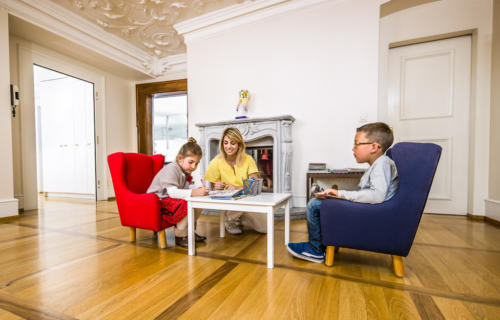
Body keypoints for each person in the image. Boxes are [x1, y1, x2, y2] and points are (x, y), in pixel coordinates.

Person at [287, 122, 399, 263]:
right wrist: (339, 195)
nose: (353, 149)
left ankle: (315, 249)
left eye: (357, 144)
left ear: (374, 147)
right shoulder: (380, 164)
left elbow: (377, 196)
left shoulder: (382, 164)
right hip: (371, 210)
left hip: (372, 214)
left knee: (314, 204)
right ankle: (322, 243)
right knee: (322, 199)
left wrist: (341, 194)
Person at [147, 137, 209, 248]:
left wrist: (199, 189)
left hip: (168, 198)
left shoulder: (185, 171)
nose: (194, 167)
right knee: (187, 203)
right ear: (180, 158)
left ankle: (189, 231)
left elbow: (186, 187)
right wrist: (194, 192)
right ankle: (180, 235)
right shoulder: (172, 169)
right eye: (191, 162)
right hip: (157, 200)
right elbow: (173, 193)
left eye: (197, 163)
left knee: (198, 201)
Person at [204, 127, 266, 234]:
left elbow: (254, 185)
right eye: (225, 143)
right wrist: (216, 186)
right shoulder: (216, 161)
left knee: (264, 229)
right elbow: (214, 187)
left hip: (248, 199)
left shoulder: (248, 159)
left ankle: (240, 216)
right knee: (236, 203)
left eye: (232, 143)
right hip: (230, 201)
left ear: (239, 145)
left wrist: (238, 188)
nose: (228, 147)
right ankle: (230, 220)